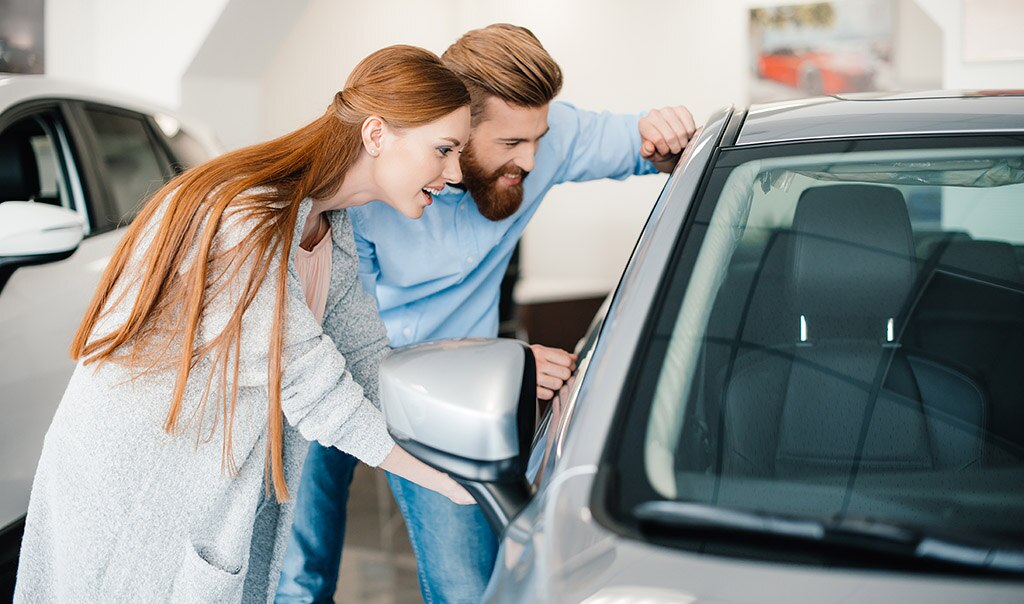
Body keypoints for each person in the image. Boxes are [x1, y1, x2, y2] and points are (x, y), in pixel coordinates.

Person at [14, 45, 474, 604]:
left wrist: (463, 436)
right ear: (377, 135)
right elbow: (311, 383)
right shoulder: (247, 218)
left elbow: (367, 360)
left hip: (203, 483)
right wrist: (449, 484)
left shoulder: (331, 227)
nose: (454, 174)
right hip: (136, 493)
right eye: (445, 150)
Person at [278, 24, 697, 604]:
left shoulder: (540, 137)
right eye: (508, 145)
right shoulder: (371, 197)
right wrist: (508, 362)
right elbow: (357, 339)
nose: (531, 160)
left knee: (466, 585)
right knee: (299, 574)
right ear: (454, 129)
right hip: (329, 373)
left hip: (447, 403)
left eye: (539, 139)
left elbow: (649, 145)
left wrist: (664, 128)